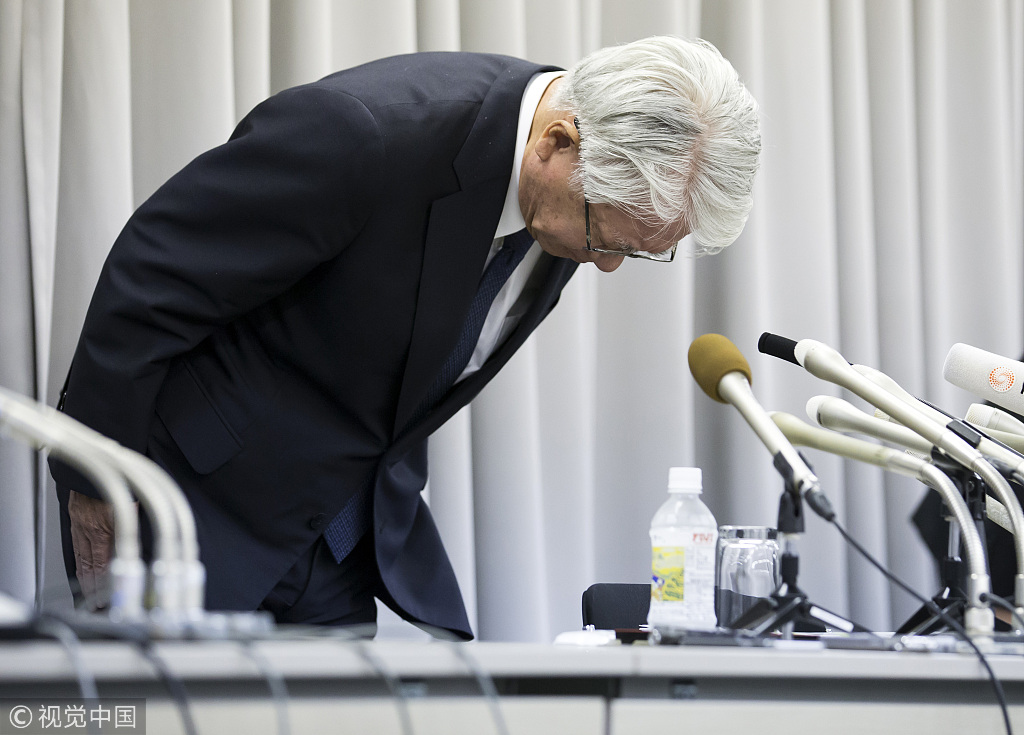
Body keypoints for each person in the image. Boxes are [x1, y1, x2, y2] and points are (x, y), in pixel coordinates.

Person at [51, 36, 761, 639]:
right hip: (192, 511)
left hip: (337, 538)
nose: (606, 265)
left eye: (636, 251)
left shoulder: (582, 183)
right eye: (607, 239)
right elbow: (154, 278)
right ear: (558, 142)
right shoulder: (365, 133)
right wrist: (92, 481)